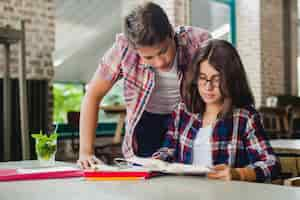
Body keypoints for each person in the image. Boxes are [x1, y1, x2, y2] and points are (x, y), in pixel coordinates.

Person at [77, 2, 211, 169]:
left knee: (191, 173)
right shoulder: (123, 49)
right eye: (149, 57)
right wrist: (85, 152)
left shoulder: (199, 42)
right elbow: (92, 95)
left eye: (163, 51)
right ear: (135, 49)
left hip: (188, 120)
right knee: (149, 177)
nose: (160, 62)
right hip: (147, 123)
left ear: (171, 33)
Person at [152, 39, 281, 182]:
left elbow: (271, 164)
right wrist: (155, 162)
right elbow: (167, 150)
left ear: (231, 79)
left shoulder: (245, 118)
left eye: (216, 79)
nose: (208, 87)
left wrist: (239, 174)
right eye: (202, 78)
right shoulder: (182, 112)